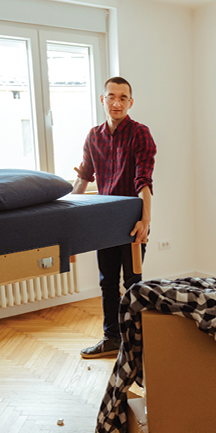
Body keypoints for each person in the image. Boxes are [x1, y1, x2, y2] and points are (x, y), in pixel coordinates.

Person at [72, 76, 157, 359]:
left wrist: (145, 221)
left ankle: (137, 341)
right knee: (107, 281)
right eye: (112, 96)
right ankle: (111, 338)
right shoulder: (93, 136)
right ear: (103, 100)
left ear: (130, 102)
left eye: (123, 98)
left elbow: (143, 181)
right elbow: (84, 178)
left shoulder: (140, 133)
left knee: (133, 281)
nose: (117, 102)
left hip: (132, 220)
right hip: (104, 220)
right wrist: (66, 214)